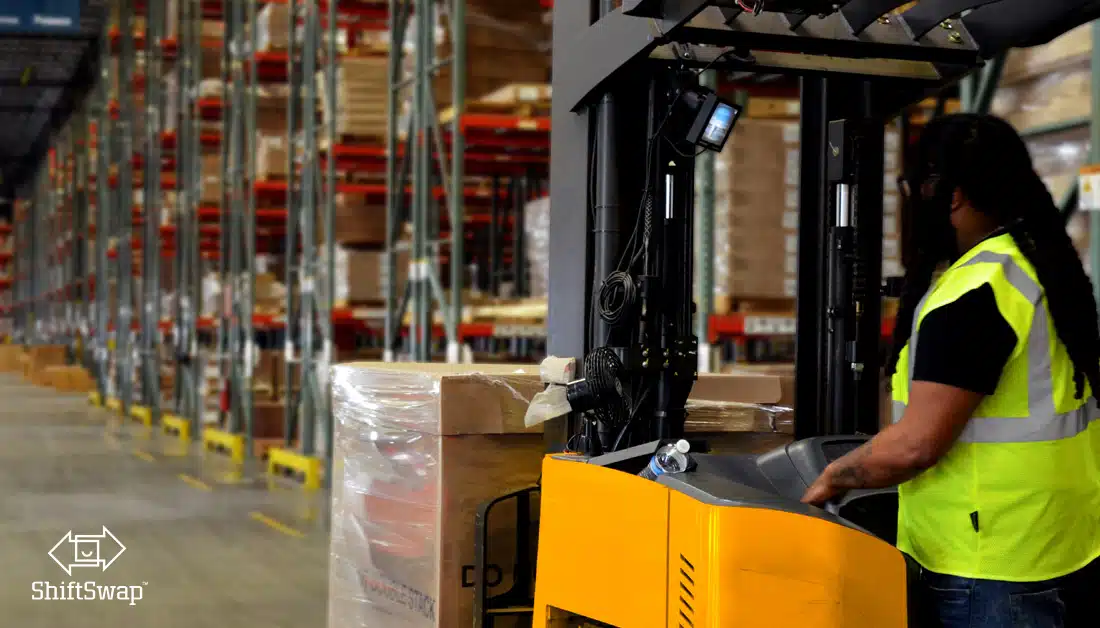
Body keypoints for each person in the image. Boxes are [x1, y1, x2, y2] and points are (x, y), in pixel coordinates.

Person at [801, 113, 1100, 627]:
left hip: (986, 563)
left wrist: (834, 476)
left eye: (913, 189)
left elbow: (917, 445)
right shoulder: (1039, 271)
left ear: (952, 195)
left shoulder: (974, 294)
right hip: (1062, 543)